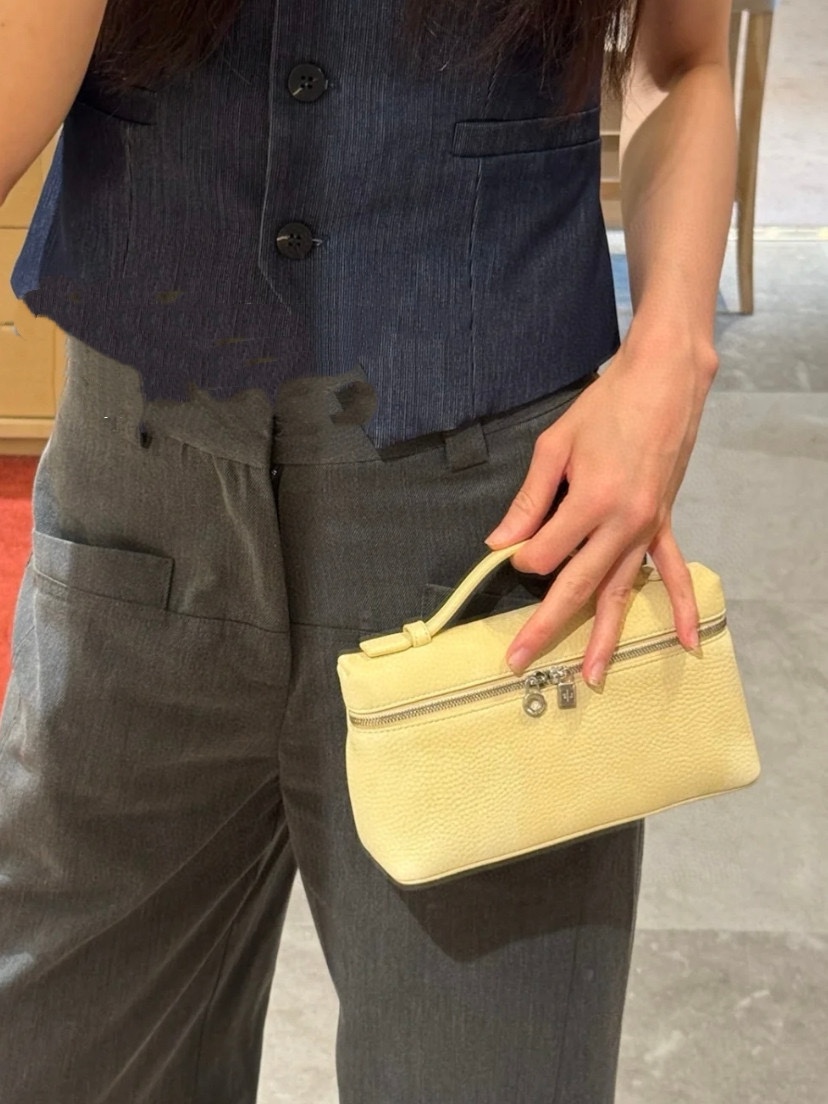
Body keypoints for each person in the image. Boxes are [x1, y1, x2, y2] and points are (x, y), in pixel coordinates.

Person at [0, 0, 735, 1100]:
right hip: (137, 509)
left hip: (491, 549)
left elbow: (685, 60)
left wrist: (671, 351)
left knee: (484, 1074)